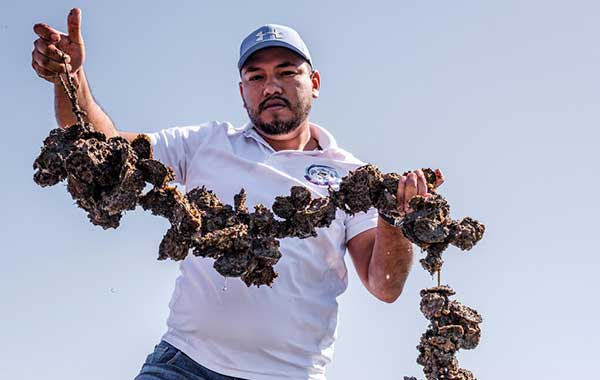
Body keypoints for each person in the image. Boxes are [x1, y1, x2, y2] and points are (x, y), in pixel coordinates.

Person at [32, 8, 443, 380]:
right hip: (186, 365)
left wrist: (396, 219)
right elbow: (105, 150)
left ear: (314, 83)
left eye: (286, 72)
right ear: (242, 90)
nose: (271, 87)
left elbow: (384, 285)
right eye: (257, 77)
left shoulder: (352, 177)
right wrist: (72, 81)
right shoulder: (207, 144)